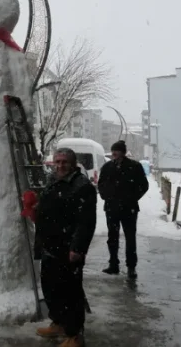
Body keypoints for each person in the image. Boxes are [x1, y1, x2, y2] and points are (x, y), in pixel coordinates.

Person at [34, 147, 96, 347]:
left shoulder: (81, 186)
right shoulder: (53, 181)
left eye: (64, 162)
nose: (60, 165)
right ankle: (59, 323)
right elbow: (50, 205)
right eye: (57, 162)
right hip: (50, 246)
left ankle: (75, 334)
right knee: (51, 288)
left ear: (73, 163)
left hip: (68, 248)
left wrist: (77, 249)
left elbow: (86, 222)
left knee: (70, 293)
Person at [97, 140, 149, 279]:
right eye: (113, 150)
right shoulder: (107, 167)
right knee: (112, 237)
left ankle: (131, 267)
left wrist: (132, 198)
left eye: (117, 151)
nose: (114, 153)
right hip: (111, 208)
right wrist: (105, 196)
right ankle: (113, 264)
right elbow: (101, 184)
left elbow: (144, 185)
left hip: (129, 209)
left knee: (130, 238)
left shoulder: (134, 166)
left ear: (123, 152)